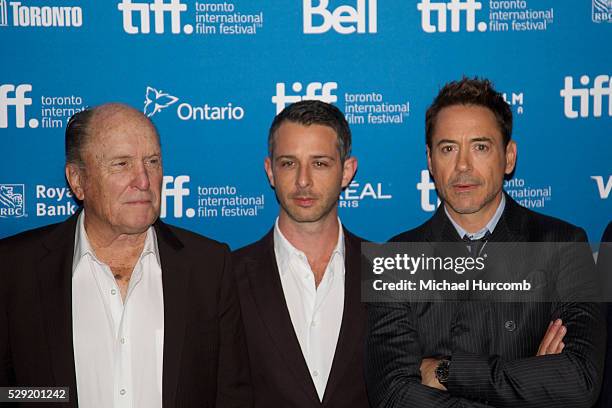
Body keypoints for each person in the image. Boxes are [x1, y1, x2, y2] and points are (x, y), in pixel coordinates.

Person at [365, 78, 606, 407]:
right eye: (448, 148)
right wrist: (531, 384)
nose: (463, 165)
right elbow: (393, 396)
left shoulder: (564, 245)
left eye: (480, 147)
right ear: (430, 160)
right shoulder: (394, 260)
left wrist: (447, 372)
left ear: (508, 157)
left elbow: (580, 381)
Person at [0, 103, 251, 408]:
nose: (144, 180)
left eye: (153, 161)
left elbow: (231, 395)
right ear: (78, 180)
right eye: (121, 164)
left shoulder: (209, 266)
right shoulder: (14, 270)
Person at [232, 100, 370, 407]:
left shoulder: (386, 270)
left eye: (319, 163)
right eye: (288, 163)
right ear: (270, 171)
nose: (303, 180)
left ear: (347, 171)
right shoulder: (228, 277)